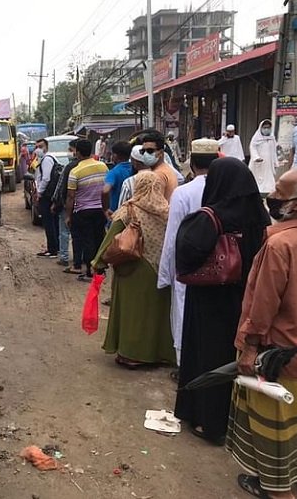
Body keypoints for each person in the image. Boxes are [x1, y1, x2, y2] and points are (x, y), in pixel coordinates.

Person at [174, 158, 270, 446]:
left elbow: (187, 254)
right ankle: (236, 421)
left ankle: (208, 421)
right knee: (235, 358)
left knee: (208, 355)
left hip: (211, 298)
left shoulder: (211, 216)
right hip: (246, 298)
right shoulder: (260, 218)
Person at [226, 168, 297, 499]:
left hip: (277, 357)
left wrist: (250, 348)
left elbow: (263, 306)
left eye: (277, 191)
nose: (271, 197)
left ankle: (276, 490)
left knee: (273, 431)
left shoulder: (280, 244)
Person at [93, 172, 175, 367]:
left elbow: (111, 238)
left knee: (134, 312)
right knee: (158, 312)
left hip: (133, 267)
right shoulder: (167, 210)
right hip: (161, 268)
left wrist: (98, 263)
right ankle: (161, 353)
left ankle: (132, 354)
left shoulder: (129, 210)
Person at [157, 139, 219, 374]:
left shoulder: (184, 193)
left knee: (183, 310)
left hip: (189, 264)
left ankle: (185, 366)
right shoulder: (227, 187)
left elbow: (173, 236)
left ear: (192, 163)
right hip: (223, 263)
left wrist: (166, 274)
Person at [65, 139, 108, 282]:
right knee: (99, 240)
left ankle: (91, 272)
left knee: (87, 241)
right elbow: (106, 190)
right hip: (100, 210)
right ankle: (100, 270)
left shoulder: (75, 171)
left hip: (83, 211)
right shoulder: (103, 167)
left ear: (77, 152)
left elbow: (71, 196)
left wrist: (68, 216)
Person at [52, 139, 81, 269]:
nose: (69, 152)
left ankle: (64, 257)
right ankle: (80, 257)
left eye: (70, 149)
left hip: (67, 204)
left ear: (76, 150)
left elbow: (61, 186)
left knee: (64, 231)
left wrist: (55, 202)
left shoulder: (69, 167)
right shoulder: (92, 165)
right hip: (83, 205)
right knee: (79, 233)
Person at [35, 139, 59, 258]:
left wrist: (39, 193)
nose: (38, 149)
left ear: (46, 147)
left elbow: (46, 179)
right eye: (37, 147)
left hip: (46, 195)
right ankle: (55, 247)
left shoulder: (47, 159)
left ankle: (52, 249)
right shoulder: (49, 158)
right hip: (50, 194)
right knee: (53, 221)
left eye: (41, 146)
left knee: (48, 222)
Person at [140, 133, 179, 201]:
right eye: (143, 151)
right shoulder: (167, 169)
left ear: (161, 152)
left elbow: (153, 204)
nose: (145, 154)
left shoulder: (158, 175)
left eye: (150, 151)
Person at [102, 141, 132, 220]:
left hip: (116, 214)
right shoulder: (135, 169)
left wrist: (105, 209)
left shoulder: (113, 172)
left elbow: (105, 190)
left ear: (114, 156)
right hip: (133, 214)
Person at [249, 119, 278, 196]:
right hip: (259, 162)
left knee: (269, 179)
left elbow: (274, 151)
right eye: (264, 127)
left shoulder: (272, 138)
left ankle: (268, 193)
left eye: (268, 127)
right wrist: (256, 157)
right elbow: (253, 148)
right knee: (257, 179)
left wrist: (275, 162)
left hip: (268, 163)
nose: (266, 129)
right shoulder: (256, 138)